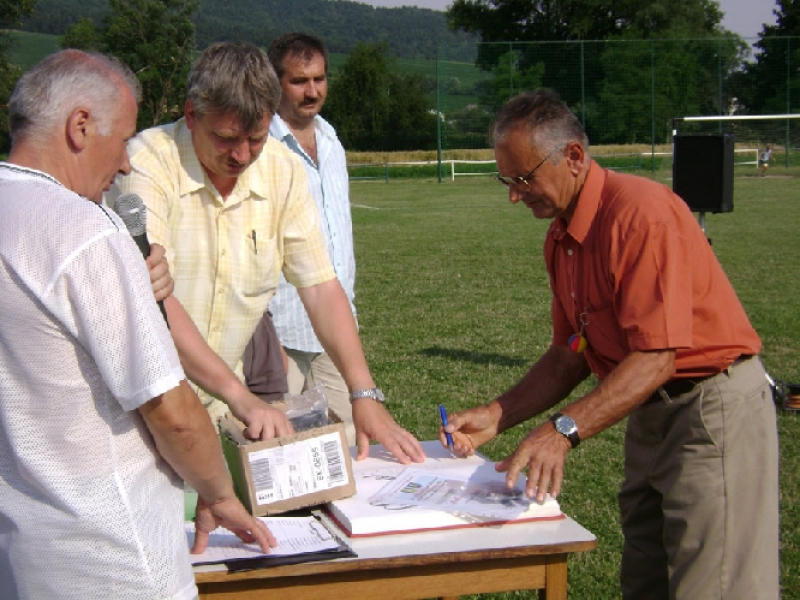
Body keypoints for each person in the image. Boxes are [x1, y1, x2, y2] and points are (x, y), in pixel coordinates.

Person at [441, 90, 779, 600]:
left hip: (711, 411)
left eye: (524, 178)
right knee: (646, 578)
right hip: (649, 411)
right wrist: (497, 413)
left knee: (717, 584)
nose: (514, 195)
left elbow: (658, 355)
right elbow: (568, 353)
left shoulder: (641, 215)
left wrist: (563, 431)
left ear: (574, 157)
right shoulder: (561, 237)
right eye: (505, 181)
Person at [0, 49, 274, 600]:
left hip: (22, 551)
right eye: (123, 139)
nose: (126, 163)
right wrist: (219, 494)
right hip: (111, 558)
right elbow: (170, 409)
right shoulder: (84, 230)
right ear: (80, 126)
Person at [108, 41, 424, 464]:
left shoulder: (282, 167)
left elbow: (321, 287)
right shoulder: (149, 161)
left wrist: (363, 392)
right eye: (225, 138)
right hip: (134, 413)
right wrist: (243, 396)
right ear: (190, 115)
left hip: (218, 409)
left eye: (255, 138)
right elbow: (154, 301)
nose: (241, 155)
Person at [244, 32, 357, 444]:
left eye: (319, 79)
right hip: (280, 331)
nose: (312, 91)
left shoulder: (332, 142)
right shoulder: (258, 149)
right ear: (275, 84)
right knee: (278, 451)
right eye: (299, 81)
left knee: (347, 444)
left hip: (334, 326)